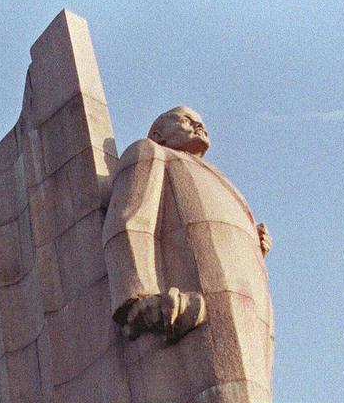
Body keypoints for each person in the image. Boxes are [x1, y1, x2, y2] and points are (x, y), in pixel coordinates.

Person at [104, 106, 273, 344]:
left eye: (200, 122)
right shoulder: (150, 151)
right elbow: (130, 221)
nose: (199, 126)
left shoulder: (216, 177)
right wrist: (138, 298)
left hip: (251, 313)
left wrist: (254, 245)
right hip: (184, 310)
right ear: (158, 134)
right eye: (186, 120)